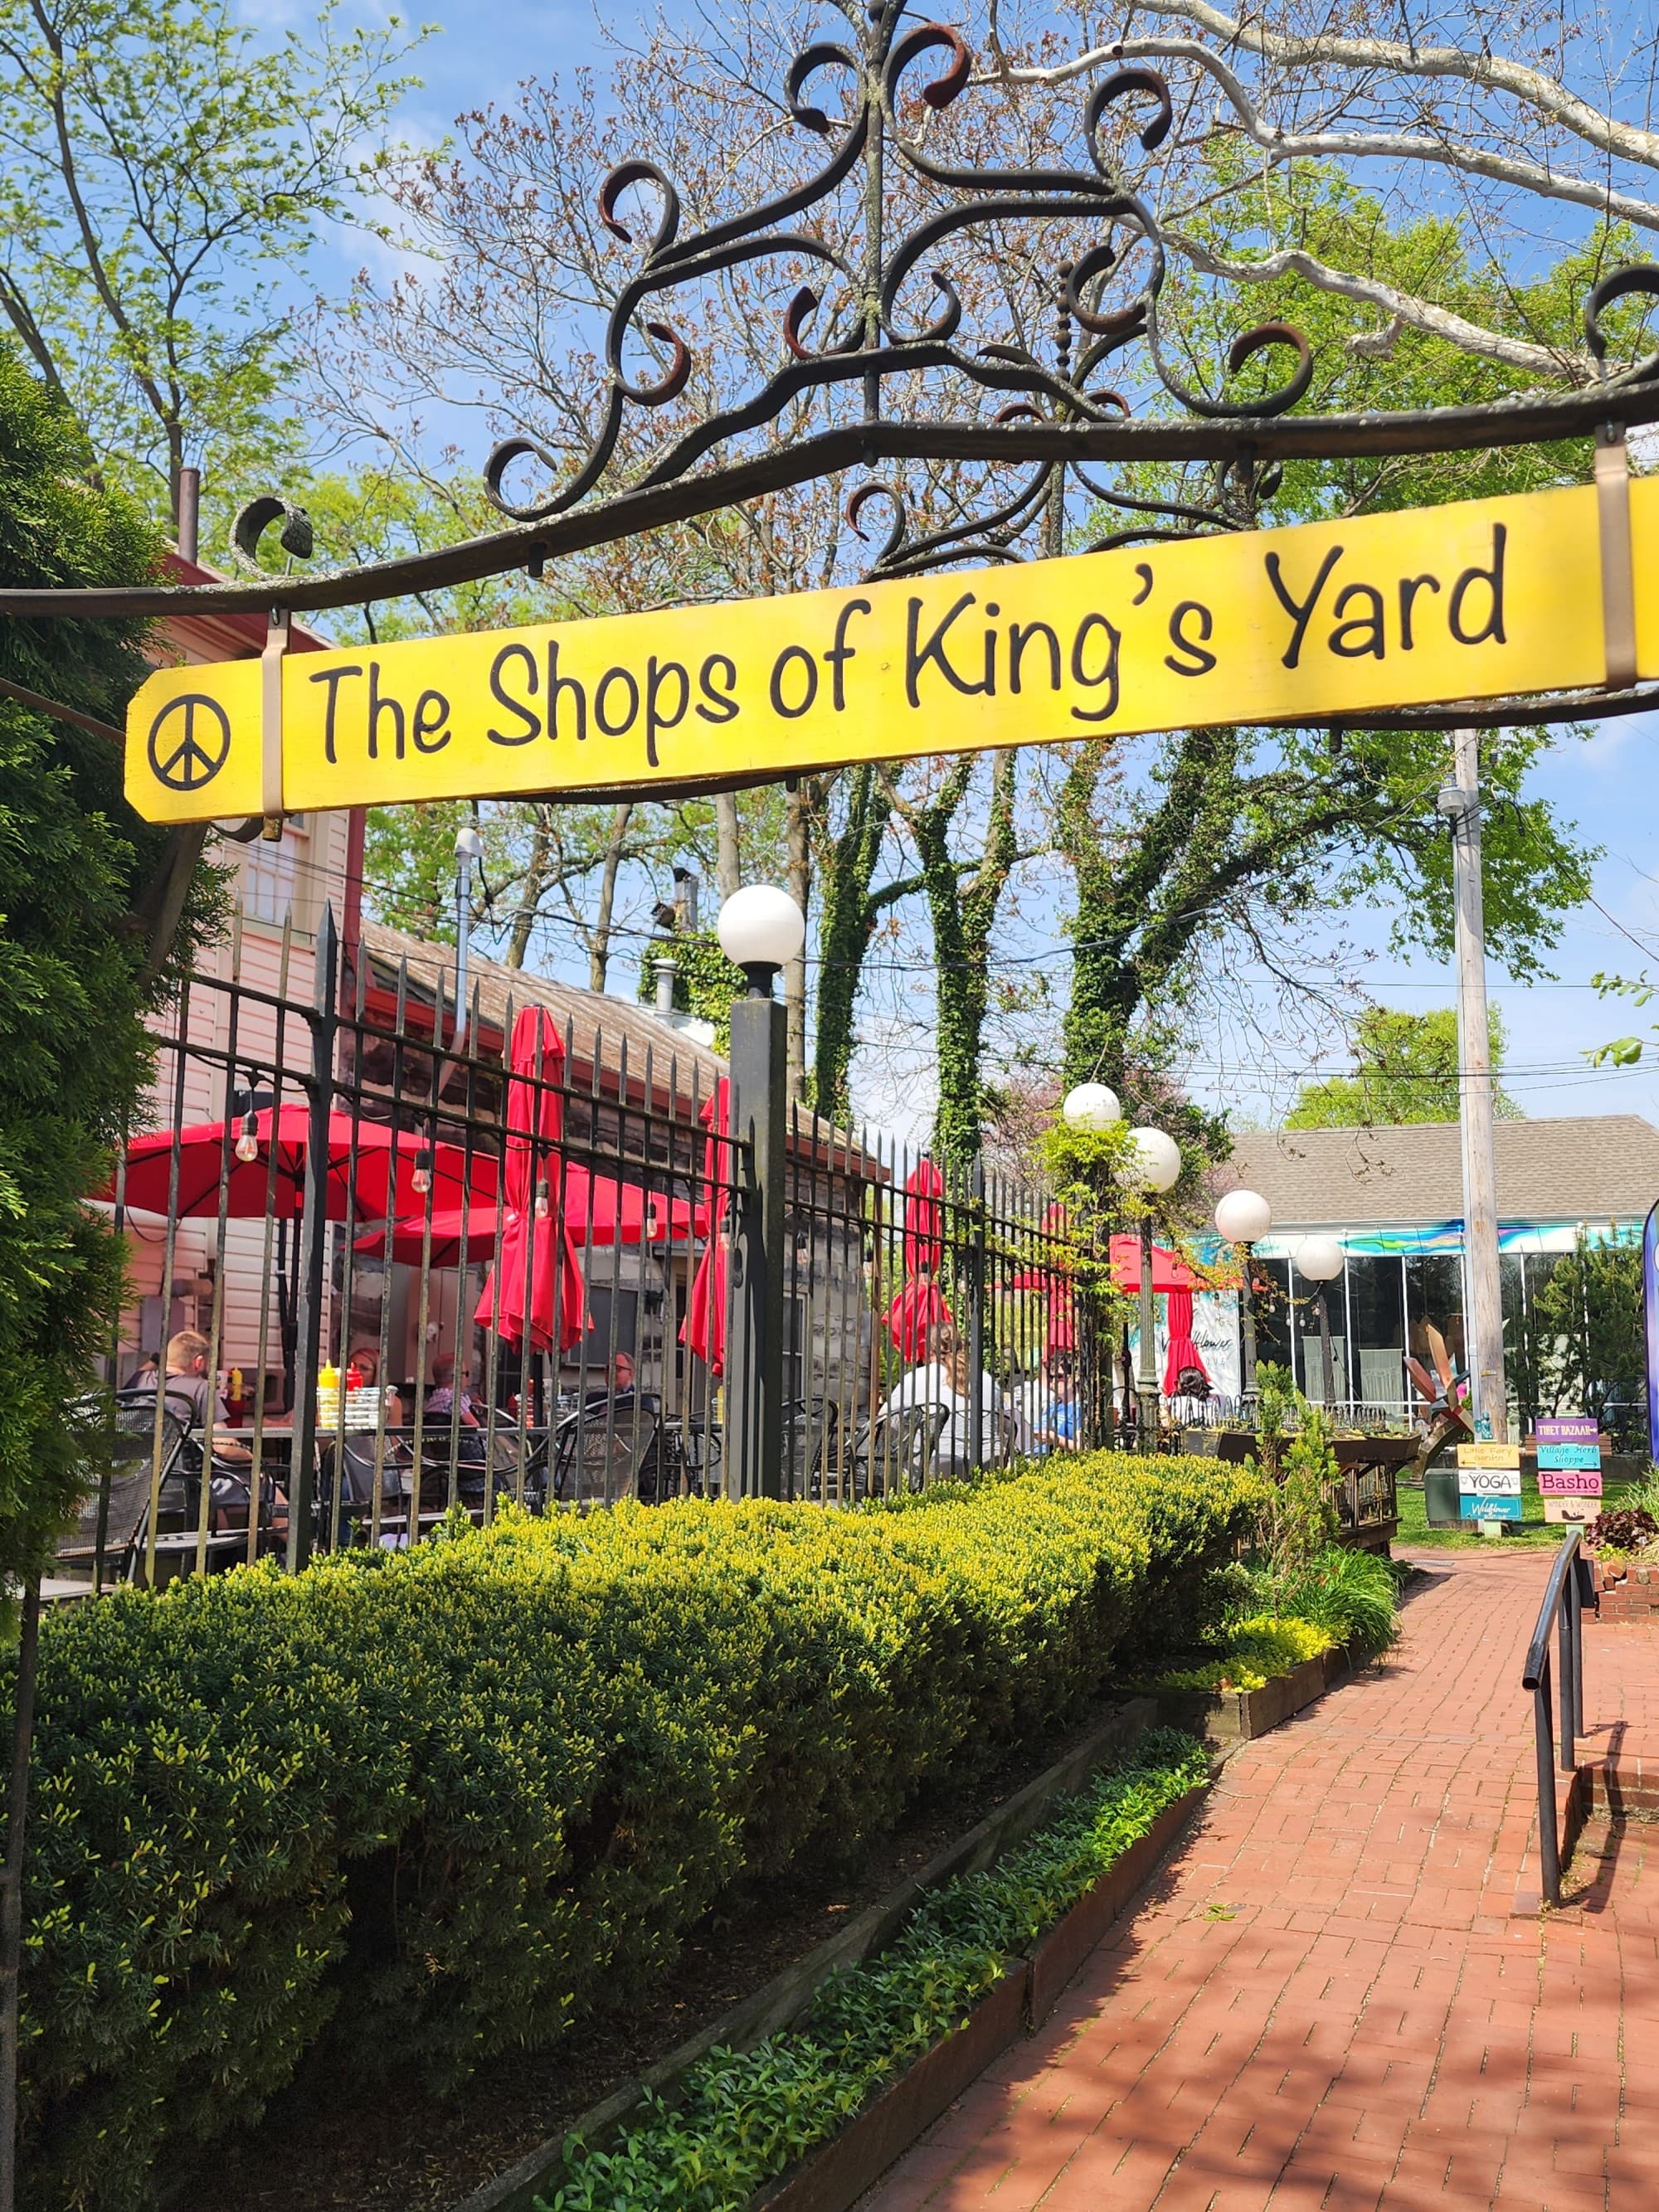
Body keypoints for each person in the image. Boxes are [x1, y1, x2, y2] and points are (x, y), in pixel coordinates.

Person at [881, 1325, 1012, 1480]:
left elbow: (883, 1420)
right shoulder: (988, 1380)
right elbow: (1007, 1424)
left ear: (929, 1349)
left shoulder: (916, 1378)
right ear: (962, 1346)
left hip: (935, 1469)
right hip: (987, 1467)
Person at [348, 1344, 403, 1426]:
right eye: (353, 1367)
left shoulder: (391, 1401)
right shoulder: (337, 1398)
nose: (357, 1371)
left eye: (364, 1368)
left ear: (376, 1373)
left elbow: (395, 1433)